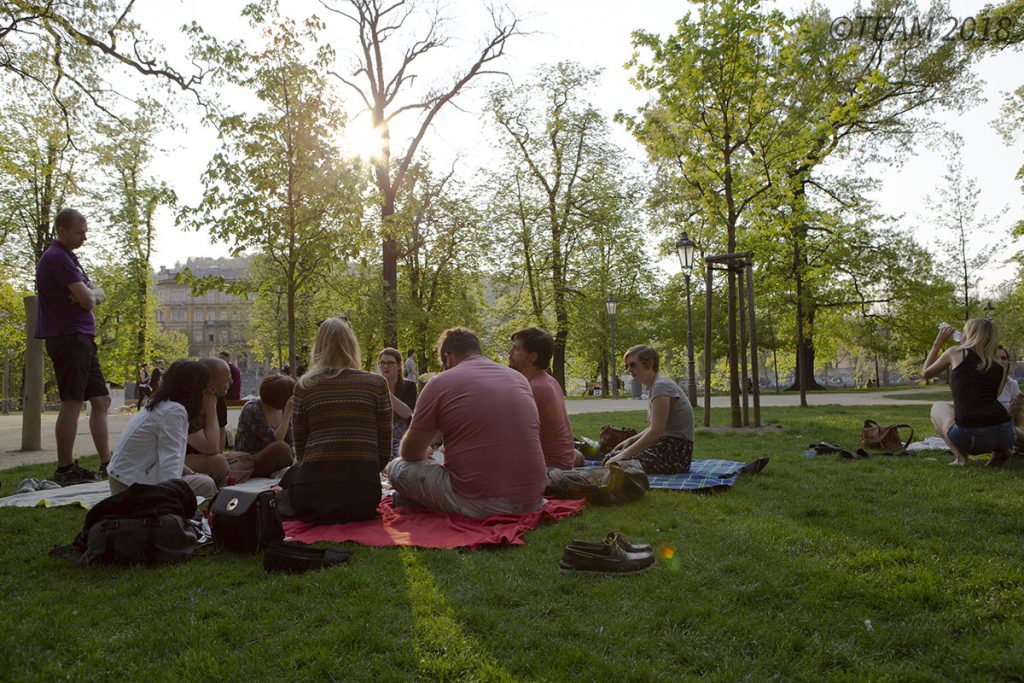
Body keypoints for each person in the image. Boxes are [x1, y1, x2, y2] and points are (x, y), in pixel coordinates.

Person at [387, 327, 547, 517]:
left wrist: (428, 450)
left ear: (448, 358)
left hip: (479, 502)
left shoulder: (439, 383)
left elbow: (410, 452)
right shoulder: (519, 379)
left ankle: (416, 501)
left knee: (396, 467)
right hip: (531, 498)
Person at [280, 317, 391, 523]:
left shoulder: (305, 386)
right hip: (363, 495)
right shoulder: (376, 384)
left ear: (319, 346)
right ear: (352, 344)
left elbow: (301, 449)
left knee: (288, 479)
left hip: (315, 493)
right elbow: (384, 449)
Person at [35, 208, 111, 485]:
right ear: (62, 230)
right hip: (68, 337)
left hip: (83, 338)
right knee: (73, 402)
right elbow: (89, 299)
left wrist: (89, 294)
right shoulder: (56, 257)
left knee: (101, 400)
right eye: (80, 232)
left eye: (86, 231)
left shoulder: (71, 259)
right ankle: (65, 469)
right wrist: (89, 295)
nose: (85, 237)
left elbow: (92, 294)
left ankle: (107, 463)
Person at [106, 359, 217, 497]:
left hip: (124, 479)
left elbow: (167, 454)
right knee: (206, 484)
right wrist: (171, 500)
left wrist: (191, 474)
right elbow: (170, 461)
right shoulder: (174, 412)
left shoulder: (161, 404)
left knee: (201, 480)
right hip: (131, 487)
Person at [924, 318, 1015, 466]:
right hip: (1006, 432)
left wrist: (937, 344)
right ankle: (1002, 451)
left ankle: (961, 458)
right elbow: (993, 397)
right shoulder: (999, 366)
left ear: (970, 334)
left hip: (971, 436)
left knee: (938, 407)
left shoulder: (955, 353)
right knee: (986, 418)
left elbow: (925, 374)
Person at [604, 345, 695, 474]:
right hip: (670, 448)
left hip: (674, 453)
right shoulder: (658, 385)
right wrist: (630, 441)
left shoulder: (661, 386)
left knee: (612, 461)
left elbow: (656, 431)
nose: (629, 370)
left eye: (633, 364)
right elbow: (655, 427)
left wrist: (624, 454)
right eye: (627, 366)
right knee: (612, 455)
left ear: (650, 363)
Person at [508, 327, 577, 470]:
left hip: (550, 470)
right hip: (562, 464)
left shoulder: (534, 389)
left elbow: (512, 438)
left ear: (532, 357)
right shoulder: (548, 381)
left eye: (516, 349)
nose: (509, 353)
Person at [234, 373, 297, 478]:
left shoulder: (280, 409)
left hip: (275, 459)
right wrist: (287, 415)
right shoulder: (253, 410)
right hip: (250, 461)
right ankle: (290, 474)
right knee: (281, 447)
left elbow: (290, 442)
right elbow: (275, 441)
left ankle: (291, 473)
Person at [184, 357, 232, 485]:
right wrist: (211, 408)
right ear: (211, 388)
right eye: (227, 380)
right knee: (219, 463)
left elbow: (221, 433)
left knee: (245, 458)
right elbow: (211, 447)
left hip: (210, 455)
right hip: (184, 458)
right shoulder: (188, 405)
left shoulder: (220, 399)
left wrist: (220, 455)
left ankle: (222, 476)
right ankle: (219, 478)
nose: (232, 382)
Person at [377, 348, 417, 459]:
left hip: (402, 439)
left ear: (399, 365)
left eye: (390, 363)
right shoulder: (372, 388)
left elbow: (407, 413)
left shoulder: (409, 387)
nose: (385, 366)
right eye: (382, 363)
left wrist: (385, 391)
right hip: (379, 437)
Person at [996, 345, 1024, 450]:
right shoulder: (982, 384)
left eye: (1004, 358)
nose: (1000, 361)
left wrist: (1017, 410)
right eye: (995, 358)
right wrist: (1009, 412)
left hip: (1009, 430)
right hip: (988, 430)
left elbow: (1018, 423)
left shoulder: (1012, 384)